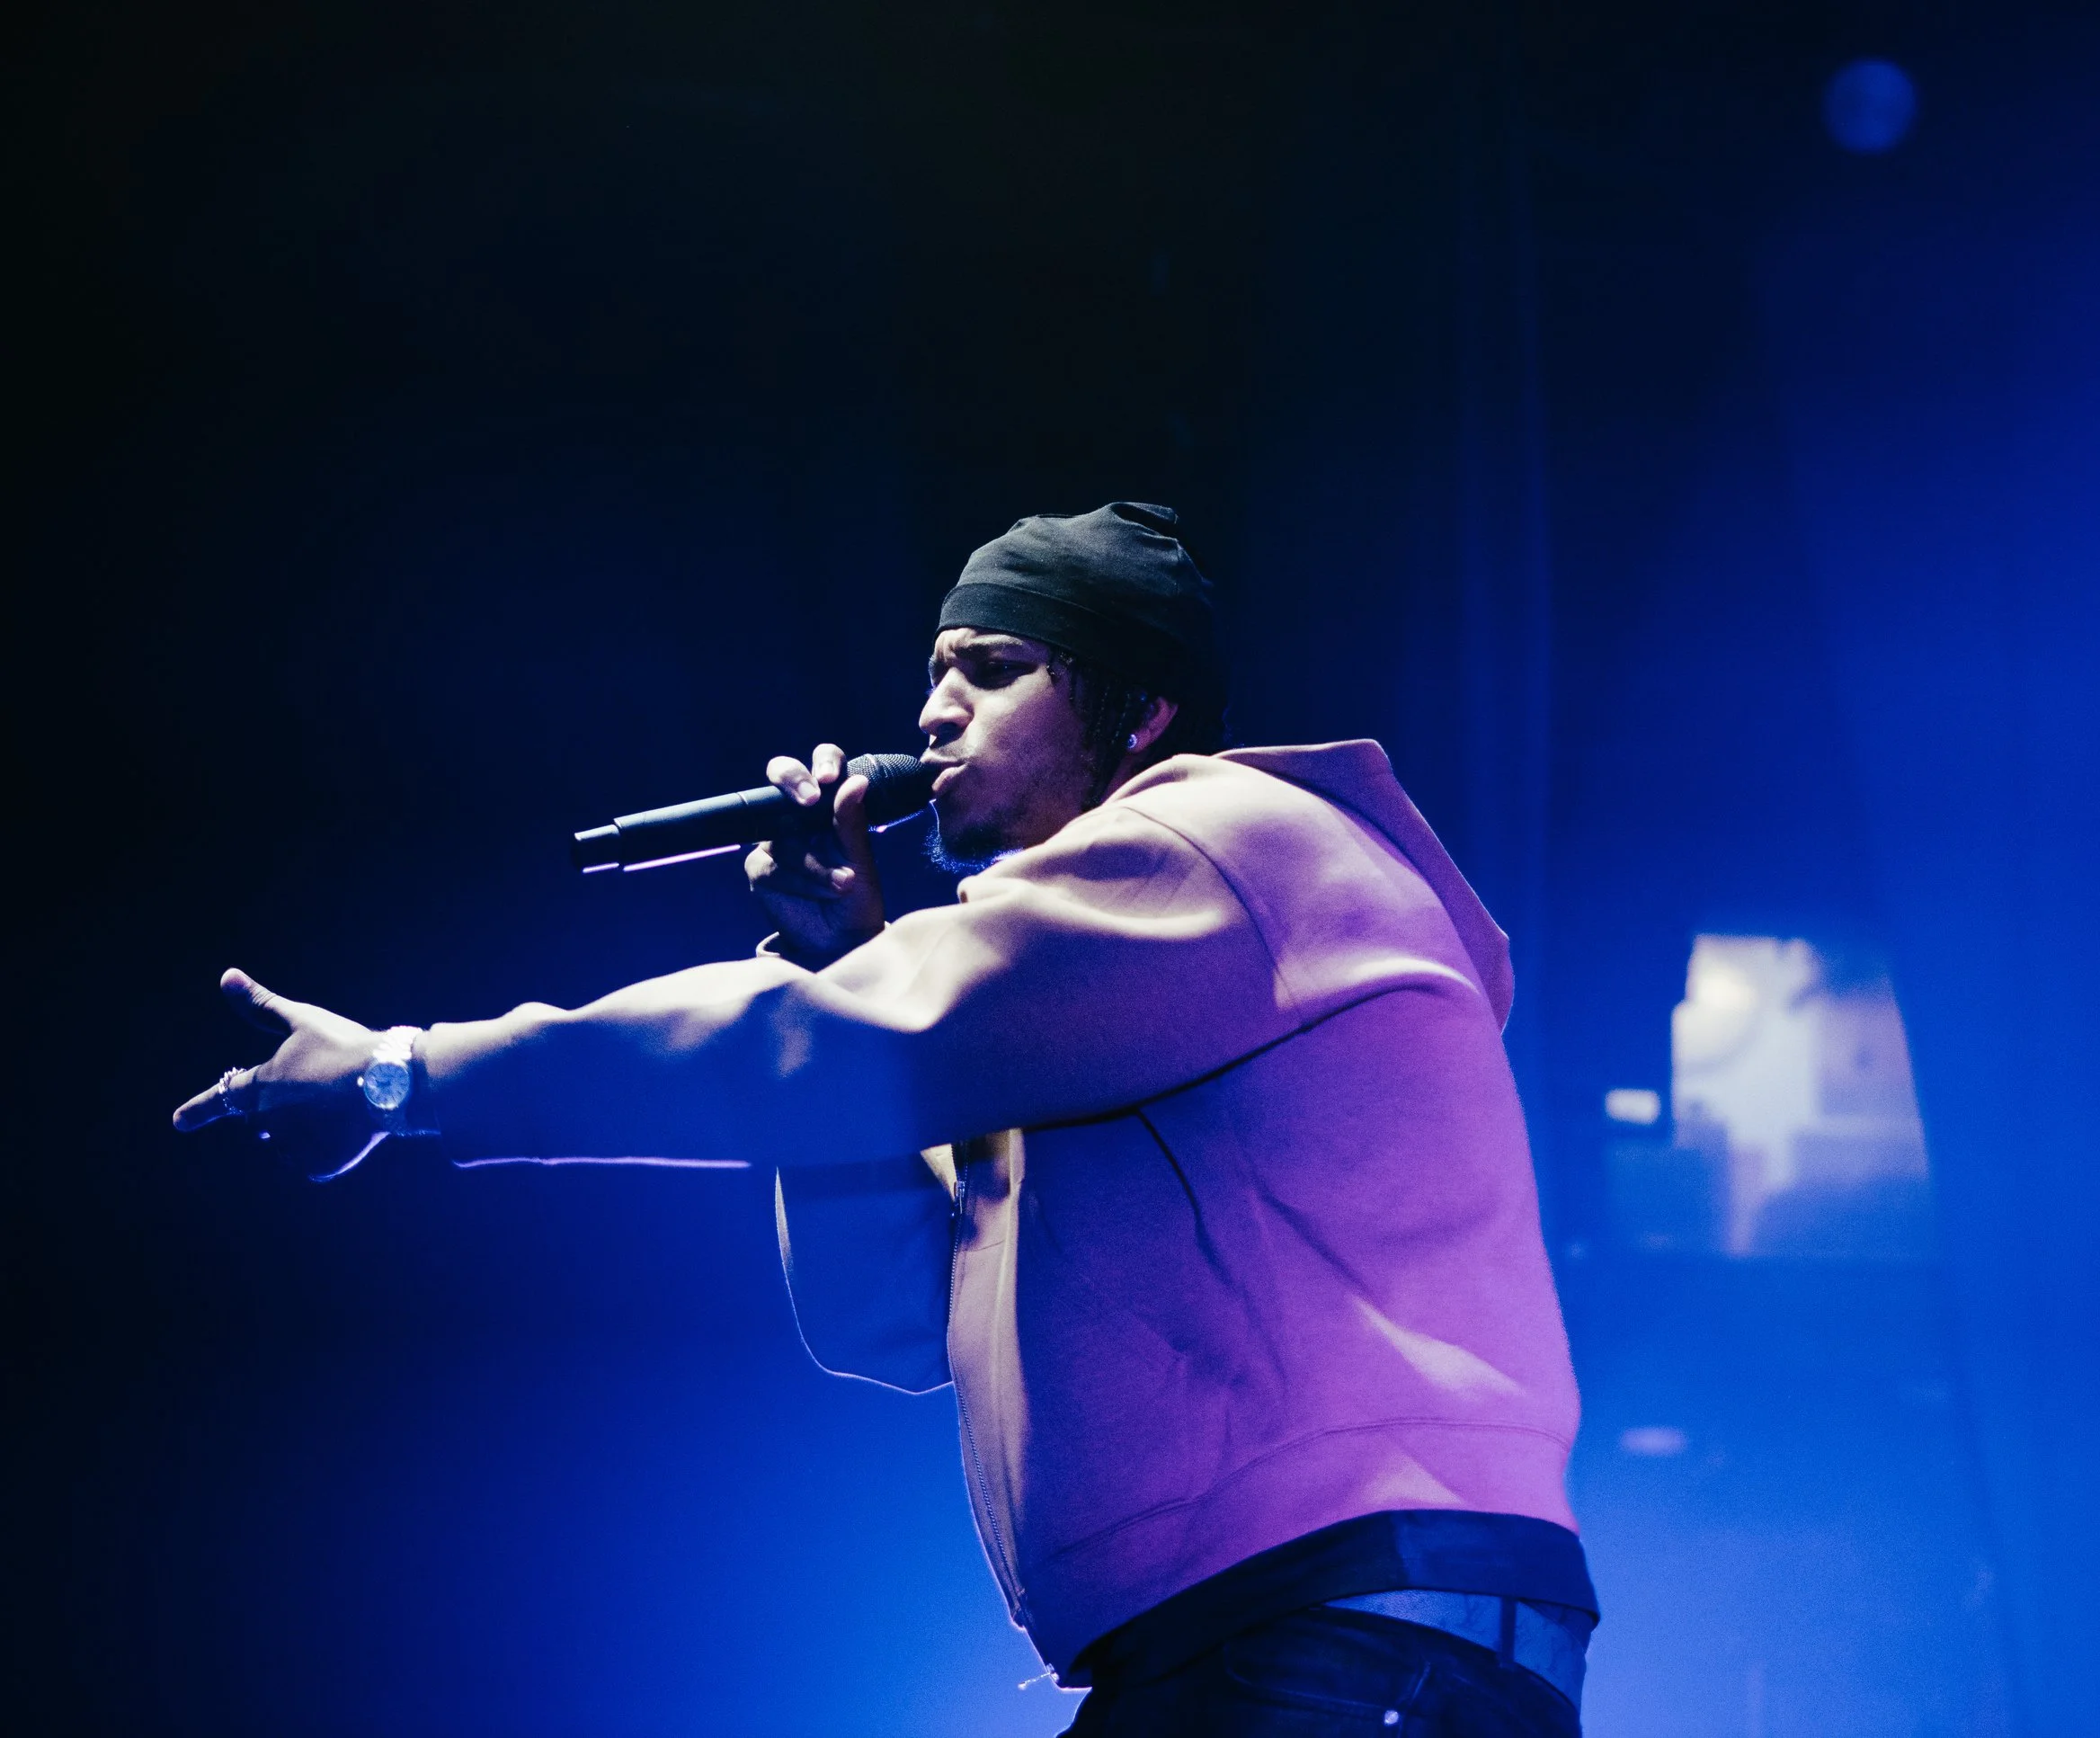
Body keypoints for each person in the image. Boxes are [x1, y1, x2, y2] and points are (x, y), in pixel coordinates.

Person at [174, 502, 1597, 1734]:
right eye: (932, 674)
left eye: (994, 669)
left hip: (1334, 1619)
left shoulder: (1219, 848)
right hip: (1286, 1633)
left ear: (1139, 710)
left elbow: (828, 1050)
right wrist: (830, 953)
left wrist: (408, 1073)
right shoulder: (1093, 1003)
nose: (934, 713)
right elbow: (899, 1323)